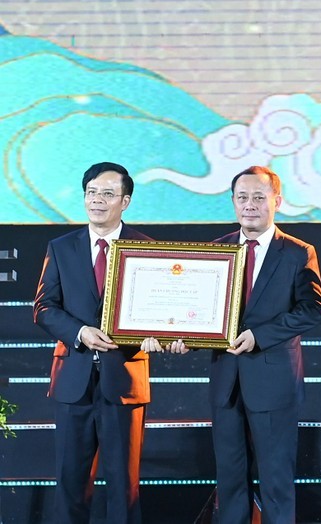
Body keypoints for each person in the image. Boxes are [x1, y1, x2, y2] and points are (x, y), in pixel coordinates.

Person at [199, 166, 321, 523]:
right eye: (242, 197)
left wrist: (260, 336)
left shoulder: (298, 252)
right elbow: (202, 315)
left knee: (276, 482)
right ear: (233, 201)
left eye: (259, 197)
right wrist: (183, 338)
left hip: (274, 383)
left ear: (277, 201)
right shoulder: (216, 250)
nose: (249, 205)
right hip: (225, 383)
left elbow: (313, 310)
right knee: (230, 482)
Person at [33, 162, 153, 524]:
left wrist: (160, 333)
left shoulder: (145, 248)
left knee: (124, 486)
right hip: (73, 380)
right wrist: (80, 332)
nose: (97, 200)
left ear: (125, 201)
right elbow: (43, 308)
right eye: (91, 193)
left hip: (125, 380)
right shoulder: (61, 247)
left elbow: (159, 312)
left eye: (107, 194)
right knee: (70, 483)